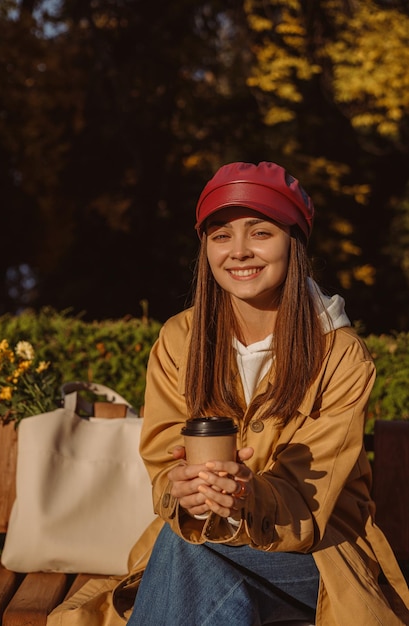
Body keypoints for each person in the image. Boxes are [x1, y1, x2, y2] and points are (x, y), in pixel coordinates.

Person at [126, 162, 409, 626]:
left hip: (315, 554)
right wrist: (182, 491)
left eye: (260, 232)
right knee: (208, 575)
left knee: (190, 554)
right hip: (204, 541)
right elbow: (163, 459)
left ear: (293, 241)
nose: (238, 251)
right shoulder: (180, 339)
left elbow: (308, 505)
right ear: (205, 249)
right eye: (220, 236)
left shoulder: (340, 354)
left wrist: (244, 497)